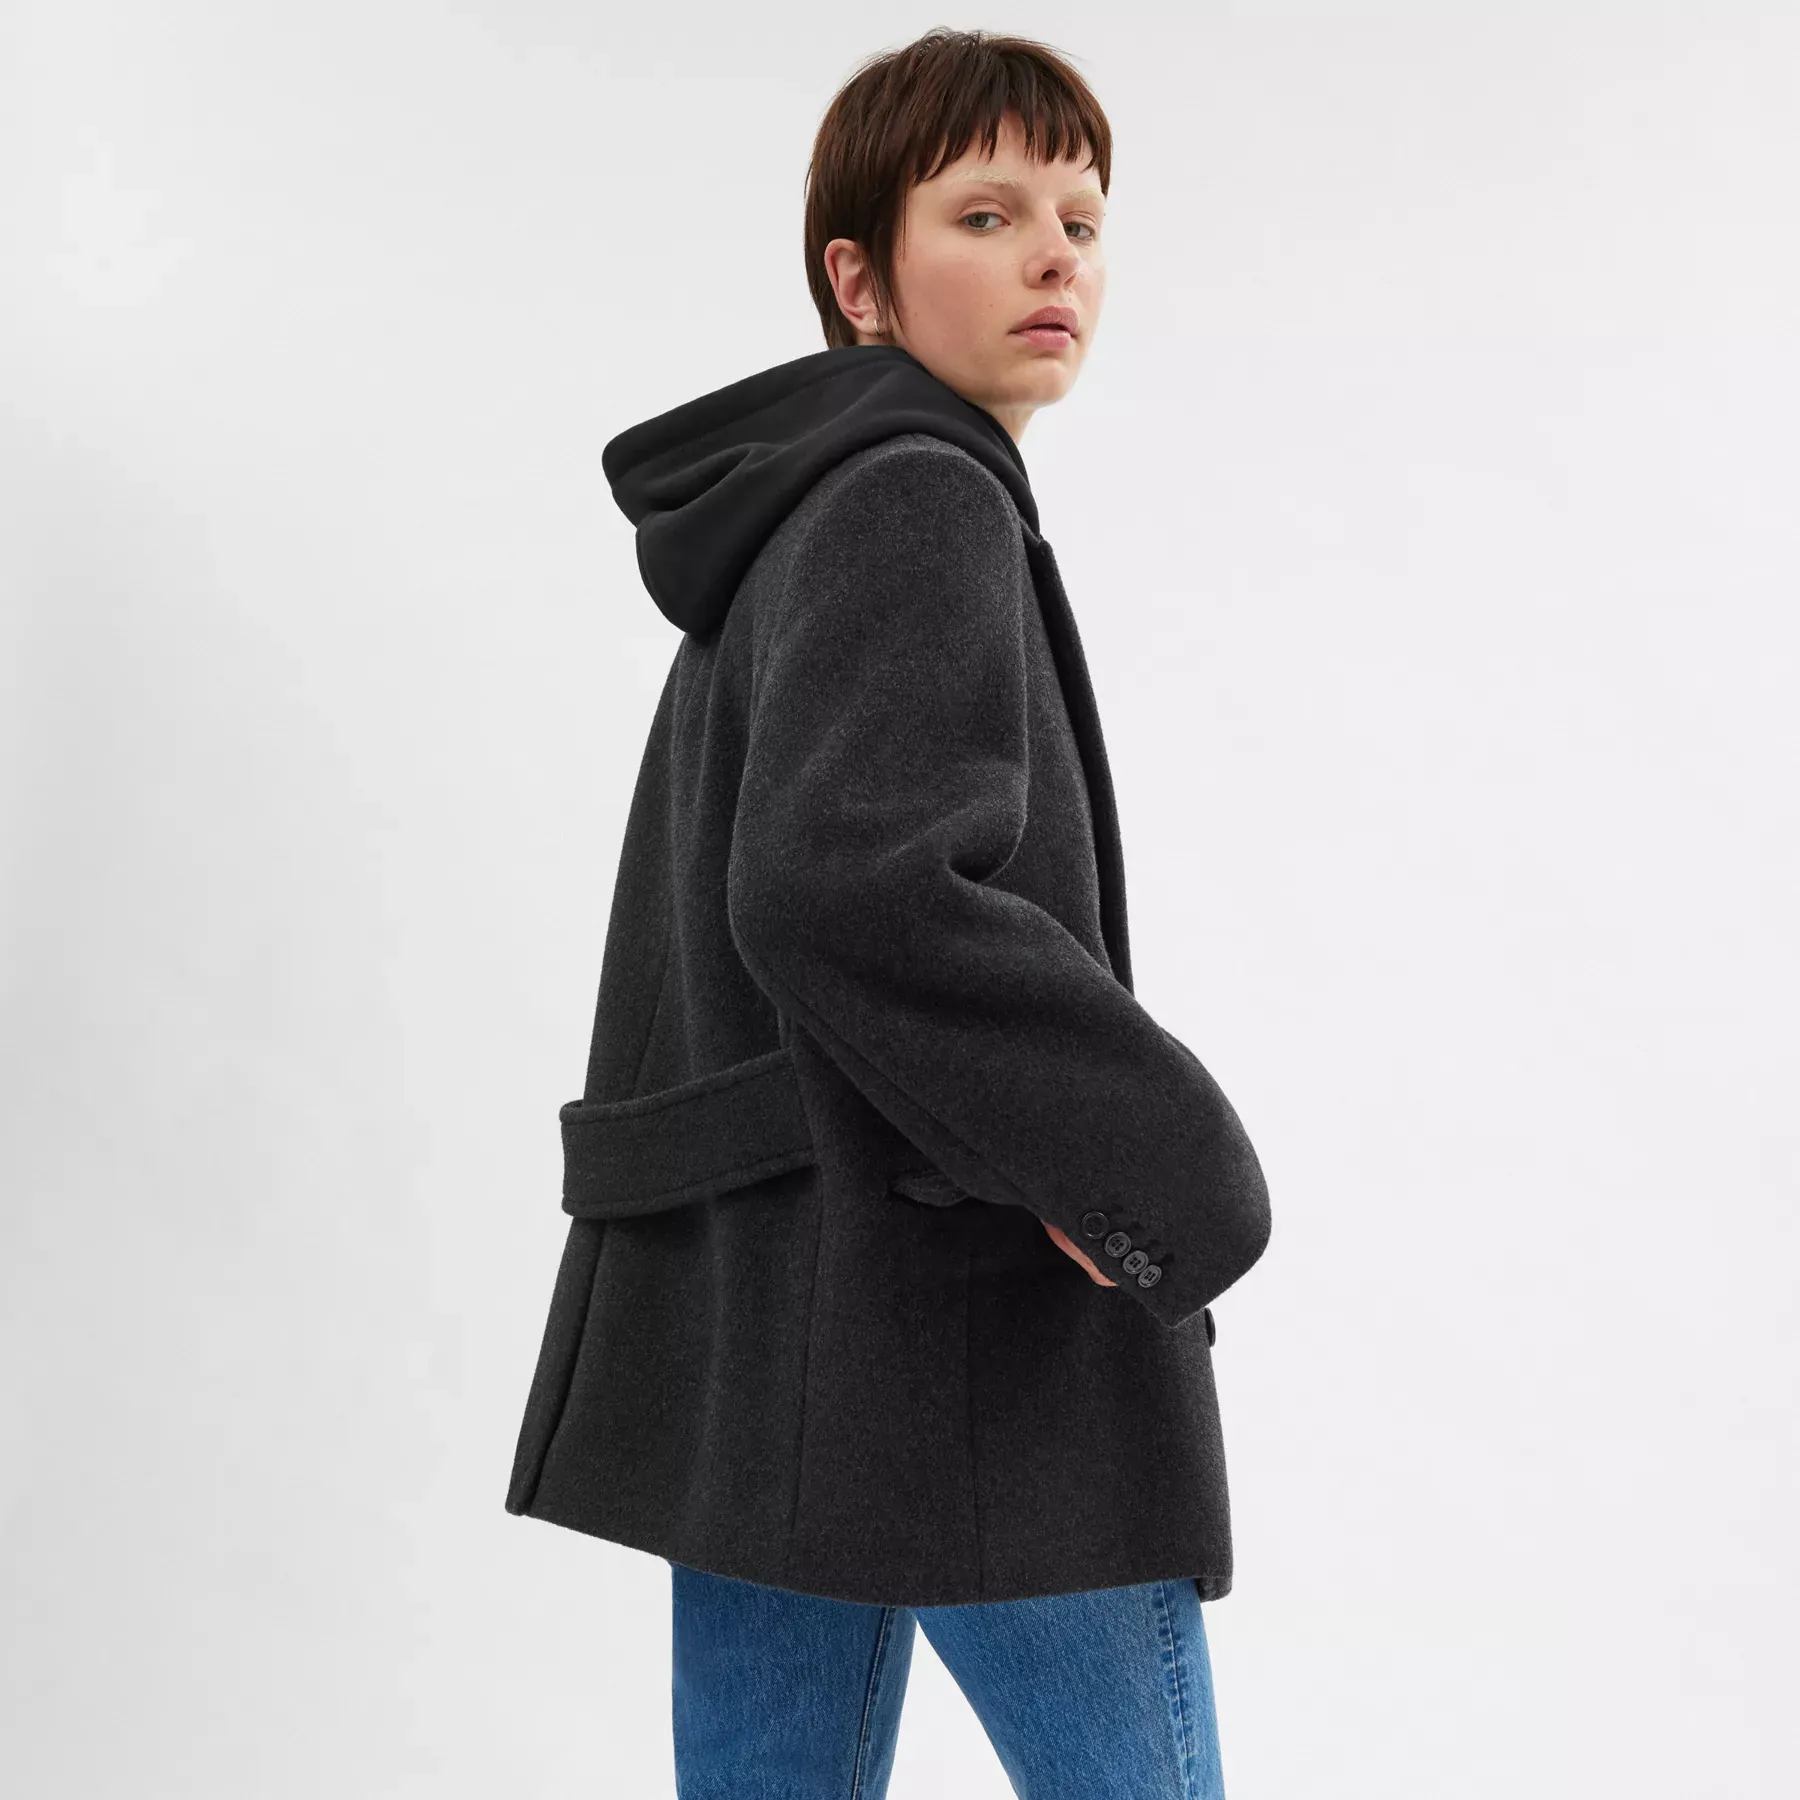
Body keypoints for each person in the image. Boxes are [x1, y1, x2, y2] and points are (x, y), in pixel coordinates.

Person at [504, 28, 1272, 1799]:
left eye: (1081, 218)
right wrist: (1141, 1162)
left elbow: (806, 892)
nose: (1055, 255)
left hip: (778, 1303)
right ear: (859, 281)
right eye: (988, 214)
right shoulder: (915, 494)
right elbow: (845, 885)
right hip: (949, 1312)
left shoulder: (799, 511)